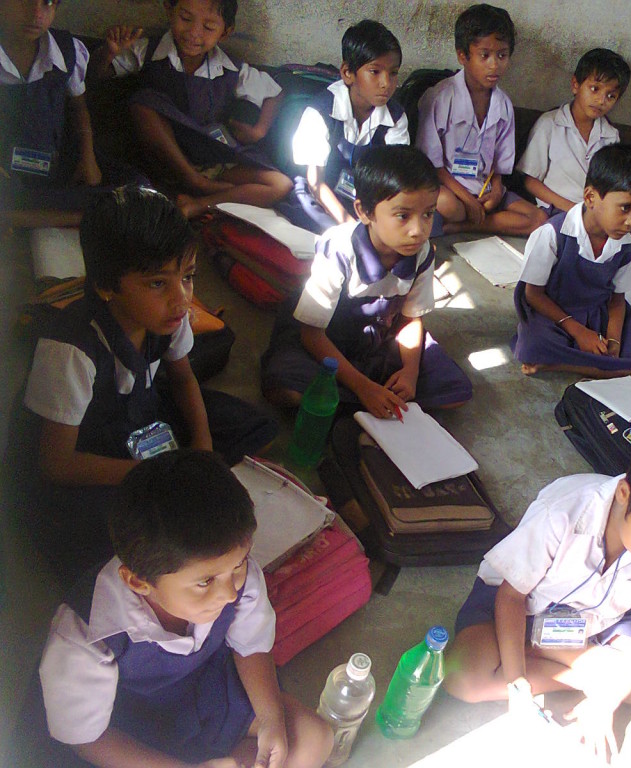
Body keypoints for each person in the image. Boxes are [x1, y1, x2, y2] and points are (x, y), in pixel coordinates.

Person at [10, 185, 278, 585]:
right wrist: (152, 470)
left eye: (187, 277)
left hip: (143, 412)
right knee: (102, 546)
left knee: (257, 428)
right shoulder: (71, 350)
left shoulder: (169, 316)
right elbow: (56, 463)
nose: (181, 299)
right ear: (106, 285)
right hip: (86, 443)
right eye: (157, 283)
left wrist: (201, 449)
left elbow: (184, 378)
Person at [444, 432, 631, 758]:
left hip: (599, 619)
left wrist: (604, 701)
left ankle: (570, 663)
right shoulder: (565, 512)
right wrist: (518, 684)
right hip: (518, 605)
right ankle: (578, 667)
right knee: (462, 678)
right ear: (625, 493)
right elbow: (511, 597)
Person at [38, 450, 333, 768]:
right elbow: (85, 739)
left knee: (315, 737)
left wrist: (271, 718)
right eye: (205, 582)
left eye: (239, 564)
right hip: (141, 734)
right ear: (138, 582)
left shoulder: (232, 574)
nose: (230, 592)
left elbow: (251, 647)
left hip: (214, 693)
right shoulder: (85, 634)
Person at [261, 145, 472, 413]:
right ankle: (361, 398)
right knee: (286, 386)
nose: (418, 230)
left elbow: (410, 319)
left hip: (379, 338)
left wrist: (410, 371)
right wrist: (363, 387)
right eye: (403, 216)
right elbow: (311, 333)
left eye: (428, 214)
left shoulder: (422, 254)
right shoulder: (337, 248)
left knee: (455, 391)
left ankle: (354, 403)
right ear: (364, 212)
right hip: (327, 338)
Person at [90, 0, 293, 218]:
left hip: (214, 159)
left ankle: (200, 203)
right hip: (168, 156)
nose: (194, 33)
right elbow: (94, 75)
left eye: (208, 27)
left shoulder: (232, 69)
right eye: (186, 19)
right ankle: (193, 181)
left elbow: (275, 91)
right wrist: (108, 53)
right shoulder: (148, 52)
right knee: (142, 102)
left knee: (280, 184)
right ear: (170, 10)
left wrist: (259, 130)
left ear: (226, 32)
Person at [511, 143, 631, 382]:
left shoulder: (628, 247)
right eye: (625, 208)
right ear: (590, 197)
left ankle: (560, 365)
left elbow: (617, 300)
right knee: (534, 344)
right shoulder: (552, 234)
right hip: (553, 313)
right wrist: (579, 331)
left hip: (598, 313)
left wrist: (613, 342)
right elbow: (533, 295)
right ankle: (593, 366)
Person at [0, 0, 142, 228]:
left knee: (139, 190)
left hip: (53, 159)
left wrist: (88, 158)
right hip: (7, 172)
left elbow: (79, 107)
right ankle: (84, 218)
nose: (37, 14)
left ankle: (30, 216)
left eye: (48, 3)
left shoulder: (66, 50)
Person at [416, 3, 546, 236]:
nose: (494, 65)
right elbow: (431, 165)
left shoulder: (503, 104)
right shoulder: (439, 98)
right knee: (445, 203)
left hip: (486, 190)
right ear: (463, 55)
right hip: (452, 190)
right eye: (484, 55)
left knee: (538, 219)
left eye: (502, 55)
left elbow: (500, 165)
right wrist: (467, 199)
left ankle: (461, 226)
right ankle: (476, 218)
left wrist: (496, 191)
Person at [278, 19, 409, 234]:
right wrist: (350, 225)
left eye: (393, 73)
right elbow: (315, 182)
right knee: (328, 233)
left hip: (365, 199)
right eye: (375, 72)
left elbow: (391, 178)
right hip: (320, 196)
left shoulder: (395, 117)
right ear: (348, 73)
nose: (386, 83)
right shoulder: (321, 111)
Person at [516, 48, 629, 215]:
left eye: (611, 96)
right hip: (554, 210)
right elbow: (530, 181)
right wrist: (572, 209)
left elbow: (610, 186)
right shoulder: (550, 124)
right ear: (575, 85)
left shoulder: (611, 136)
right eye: (594, 89)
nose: (601, 100)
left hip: (594, 215)